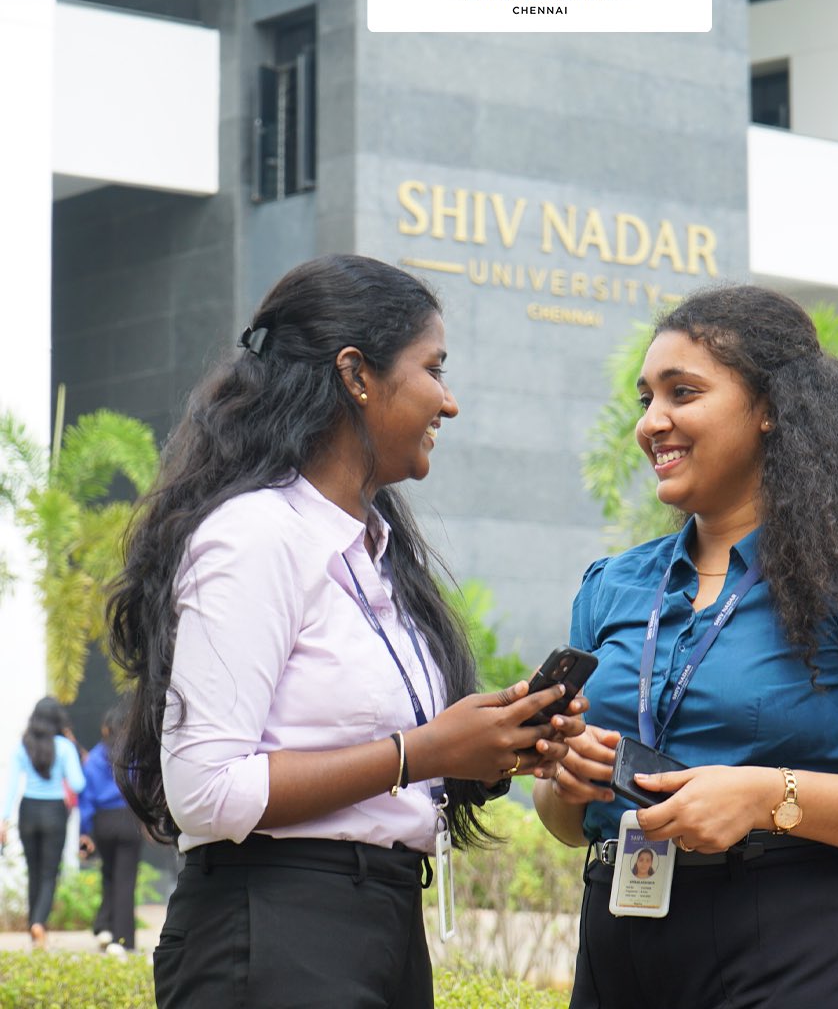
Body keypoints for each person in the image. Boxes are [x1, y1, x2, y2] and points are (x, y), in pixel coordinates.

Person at [106, 255, 586, 1009]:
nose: (449, 402)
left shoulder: (372, 552)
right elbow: (205, 791)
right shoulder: (256, 536)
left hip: (382, 925)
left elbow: (379, 757)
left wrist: (489, 748)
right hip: (275, 931)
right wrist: (421, 751)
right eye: (434, 368)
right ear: (357, 374)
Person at [534, 286, 838, 1009]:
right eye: (645, 398)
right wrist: (568, 780)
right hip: (622, 934)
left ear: (772, 408)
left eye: (683, 393)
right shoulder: (614, 586)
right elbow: (560, 822)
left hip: (803, 941)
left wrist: (764, 796)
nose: (653, 423)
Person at [0, 696, 86, 947]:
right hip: (54, 812)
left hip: (28, 810)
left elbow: (12, 786)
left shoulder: (23, 745)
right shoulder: (64, 747)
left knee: (34, 871)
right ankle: (39, 922)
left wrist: (4, 819)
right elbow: (78, 783)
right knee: (49, 873)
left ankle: (33, 929)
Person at [79, 698, 144, 957]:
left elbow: (86, 798)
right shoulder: (134, 755)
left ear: (106, 728)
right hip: (129, 818)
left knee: (109, 872)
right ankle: (124, 938)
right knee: (126, 879)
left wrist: (84, 829)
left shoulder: (94, 757)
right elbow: (141, 787)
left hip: (102, 821)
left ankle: (104, 926)